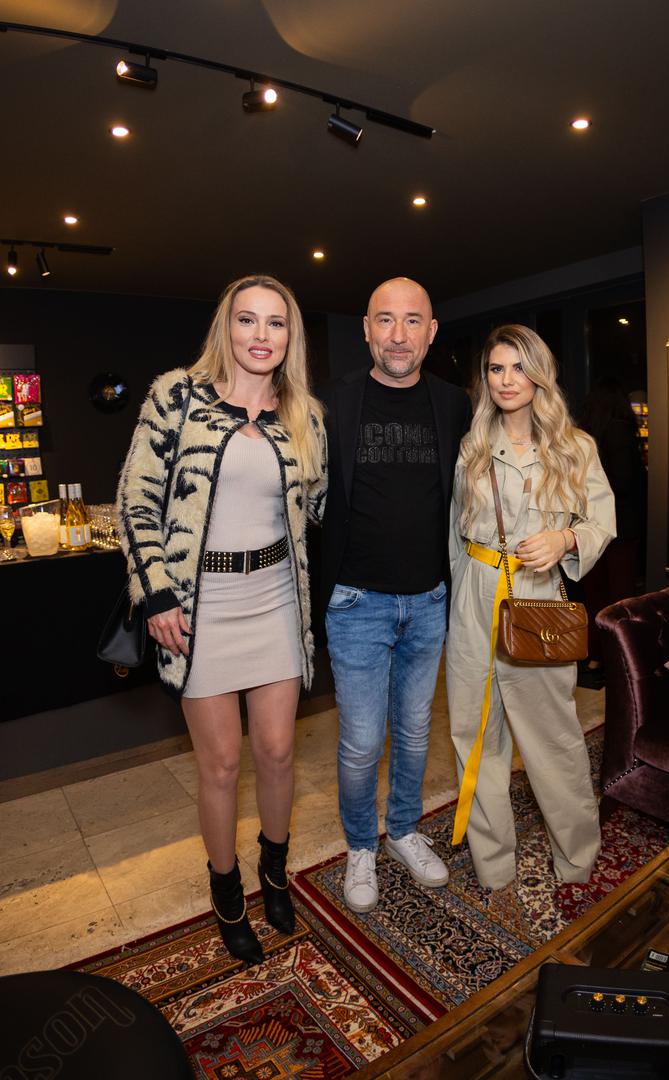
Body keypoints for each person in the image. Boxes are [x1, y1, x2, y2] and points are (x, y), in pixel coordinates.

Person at [117, 274, 327, 964]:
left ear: (291, 336)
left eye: (276, 323)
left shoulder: (304, 415)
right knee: (221, 763)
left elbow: (319, 505)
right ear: (225, 327)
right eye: (247, 320)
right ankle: (226, 890)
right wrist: (156, 593)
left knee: (277, 751)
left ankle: (275, 872)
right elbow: (135, 500)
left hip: (276, 601)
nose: (261, 335)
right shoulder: (177, 397)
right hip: (199, 608)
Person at [316, 277, 472, 913]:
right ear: (366, 329)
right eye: (385, 320)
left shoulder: (455, 404)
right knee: (361, 742)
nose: (398, 335)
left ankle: (404, 829)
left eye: (412, 321)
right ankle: (361, 845)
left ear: (431, 332)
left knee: (413, 733)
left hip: (430, 601)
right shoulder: (331, 403)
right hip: (356, 604)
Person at [447, 324, 615, 891]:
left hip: (537, 596)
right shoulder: (472, 447)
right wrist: (458, 601)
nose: (506, 380)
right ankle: (494, 866)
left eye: (519, 367)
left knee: (553, 740)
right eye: (496, 369)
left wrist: (565, 540)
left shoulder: (575, 447)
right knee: (475, 737)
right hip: (474, 597)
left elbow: (602, 522)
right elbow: (453, 535)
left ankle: (577, 859)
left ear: (540, 374)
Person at [578, 377, 646, 687]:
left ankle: (595, 656)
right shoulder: (620, 430)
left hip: (592, 526)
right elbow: (624, 480)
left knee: (595, 594)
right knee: (620, 597)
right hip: (620, 526)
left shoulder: (585, 435)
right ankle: (620, 660)